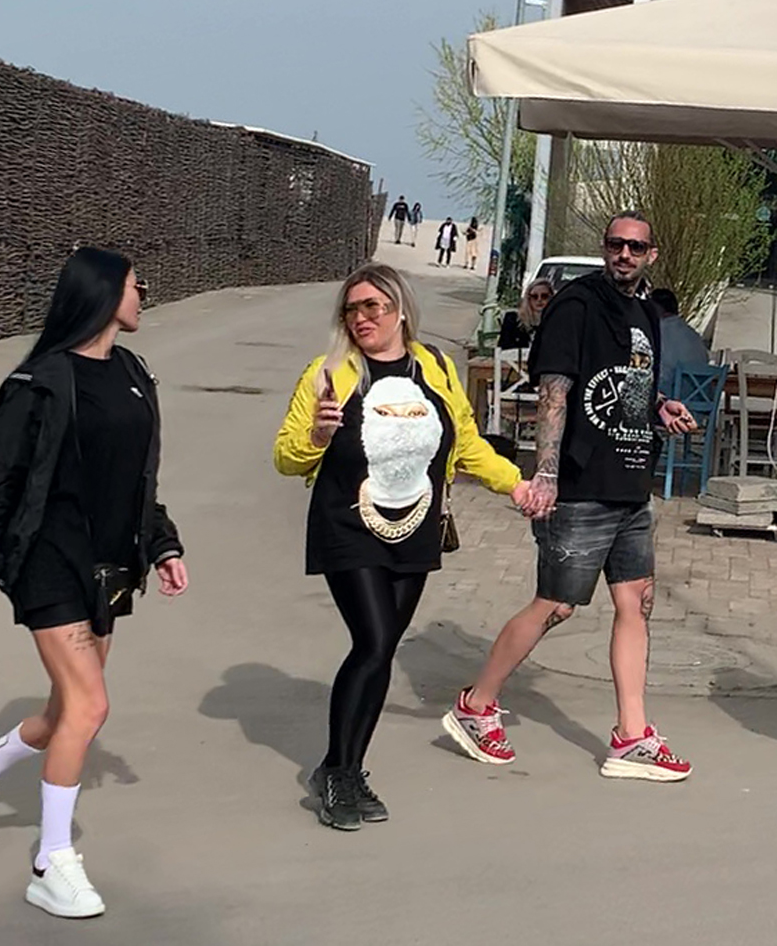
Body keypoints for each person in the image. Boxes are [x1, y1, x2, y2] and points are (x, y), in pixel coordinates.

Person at [443, 211, 698, 782]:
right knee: (556, 604)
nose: (625, 254)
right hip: (581, 487)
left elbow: (629, 384)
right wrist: (546, 475)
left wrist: (659, 408)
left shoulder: (645, 313)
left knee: (637, 601)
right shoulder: (576, 306)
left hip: (631, 483)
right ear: (604, 248)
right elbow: (554, 392)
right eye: (616, 244)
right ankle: (476, 705)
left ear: (652, 255)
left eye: (636, 247)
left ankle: (632, 736)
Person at [274, 263, 528, 831]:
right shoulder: (328, 372)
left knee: (381, 650)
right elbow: (286, 457)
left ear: (401, 311)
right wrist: (317, 435)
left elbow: (465, 443)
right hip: (346, 526)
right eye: (351, 309)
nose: (360, 318)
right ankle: (339, 773)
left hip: (415, 524)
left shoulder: (434, 367)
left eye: (372, 307)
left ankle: (344, 767)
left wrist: (516, 484)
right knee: (373, 641)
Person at [0, 248, 188, 918]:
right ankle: (52, 862)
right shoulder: (40, 383)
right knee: (91, 708)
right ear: (101, 294)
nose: (143, 293)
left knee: (65, 712)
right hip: (48, 562)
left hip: (108, 568)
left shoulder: (132, 372)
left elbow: (137, 478)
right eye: (134, 285)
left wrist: (161, 543)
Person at [650, 288, 709, 396]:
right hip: (700, 399)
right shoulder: (693, 334)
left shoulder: (659, 332)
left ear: (656, 308)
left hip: (672, 399)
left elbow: (662, 375)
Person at [498, 278, 554, 351]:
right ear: (528, 298)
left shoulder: (557, 322)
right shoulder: (513, 320)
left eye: (544, 296)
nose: (539, 300)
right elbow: (503, 348)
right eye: (534, 296)